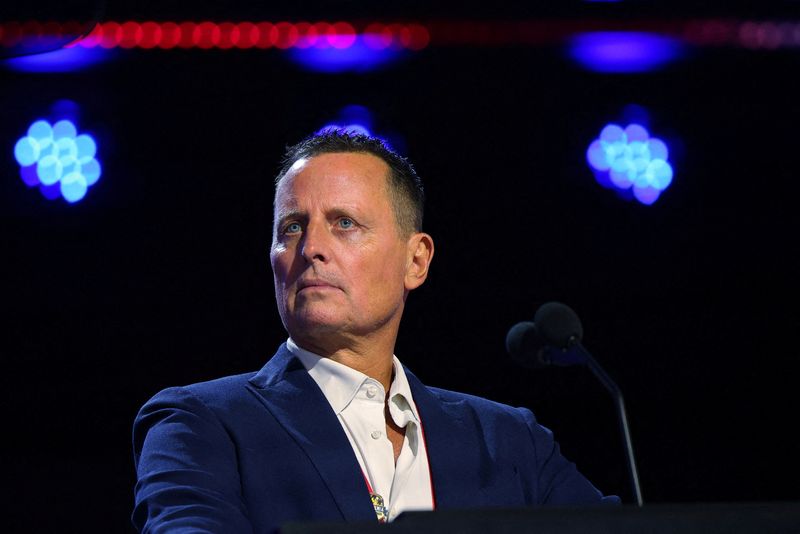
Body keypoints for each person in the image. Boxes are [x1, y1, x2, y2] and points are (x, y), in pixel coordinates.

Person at [132, 129, 619, 533]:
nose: (312, 248)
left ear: (416, 259)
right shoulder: (199, 425)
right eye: (292, 228)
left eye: (344, 223)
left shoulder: (509, 441)